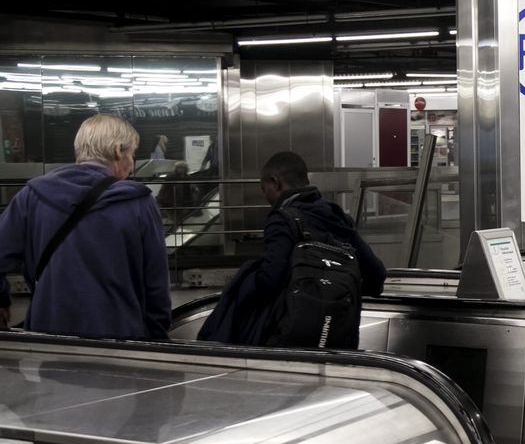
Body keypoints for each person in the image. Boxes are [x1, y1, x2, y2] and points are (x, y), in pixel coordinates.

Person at [0, 114, 171, 338]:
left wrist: (2, 300)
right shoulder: (138, 202)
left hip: (48, 331)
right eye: (132, 154)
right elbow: (155, 281)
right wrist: (156, 333)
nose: (131, 164)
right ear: (119, 151)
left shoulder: (32, 195)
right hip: (121, 336)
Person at [198, 150, 386, 347]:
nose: (267, 197)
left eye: (265, 189)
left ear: (275, 182)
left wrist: (243, 282)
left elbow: (269, 280)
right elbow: (377, 275)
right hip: (338, 341)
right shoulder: (338, 217)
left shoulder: (282, 220)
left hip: (291, 340)